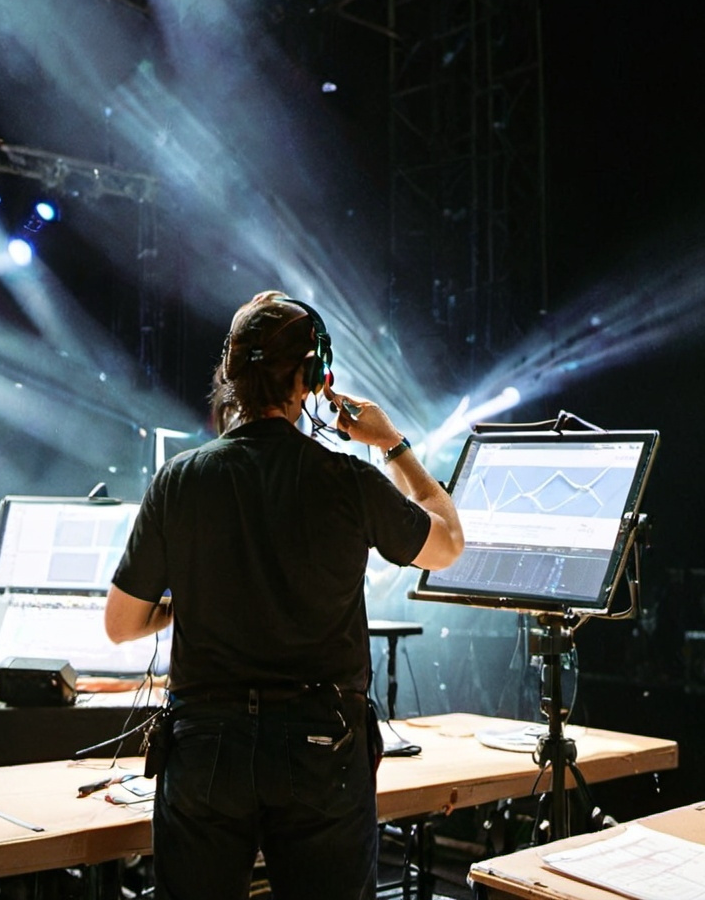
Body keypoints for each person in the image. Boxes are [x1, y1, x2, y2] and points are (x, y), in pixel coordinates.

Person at [105, 291, 463, 900]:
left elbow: (121, 624)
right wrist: (391, 444)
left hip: (204, 748)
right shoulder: (348, 479)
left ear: (231, 372)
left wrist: (186, 603)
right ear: (314, 377)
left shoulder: (180, 479)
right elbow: (448, 542)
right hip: (321, 747)